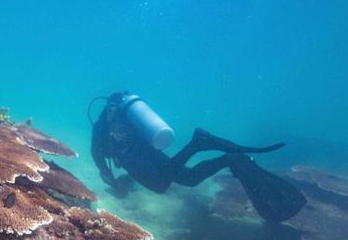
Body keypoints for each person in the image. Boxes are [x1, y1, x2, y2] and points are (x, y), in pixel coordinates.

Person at [90, 92, 306, 223]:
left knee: (160, 185)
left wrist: (108, 177)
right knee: (189, 178)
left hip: (134, 158)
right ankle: (228, 159)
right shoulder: (125, 119)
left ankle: (195, 144)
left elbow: (97, 154)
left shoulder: (100, 126)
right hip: (149, 152)